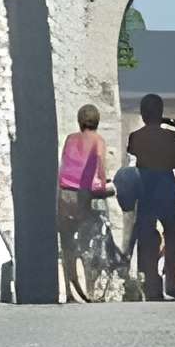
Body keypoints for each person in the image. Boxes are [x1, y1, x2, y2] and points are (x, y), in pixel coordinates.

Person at [123, 94, 175, 301]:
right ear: (161, 113)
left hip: (145, 186)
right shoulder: (170, 137)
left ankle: (149, 280)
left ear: (143, 114)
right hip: (166, 185)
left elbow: (132, 153)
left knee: (146, 235)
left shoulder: (135, 137)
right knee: (171, 236)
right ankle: (169, 283)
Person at [57, 103, 114, 302]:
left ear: (79, 121)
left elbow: (65, 162)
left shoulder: (70, 139)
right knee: (87, 242)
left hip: (64, 192)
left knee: (67, 245)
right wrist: (102, 183)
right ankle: (90, 291)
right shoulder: (98, 140)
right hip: (83, 194)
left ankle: (70, 292)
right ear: (97, 121)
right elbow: (99, 162)